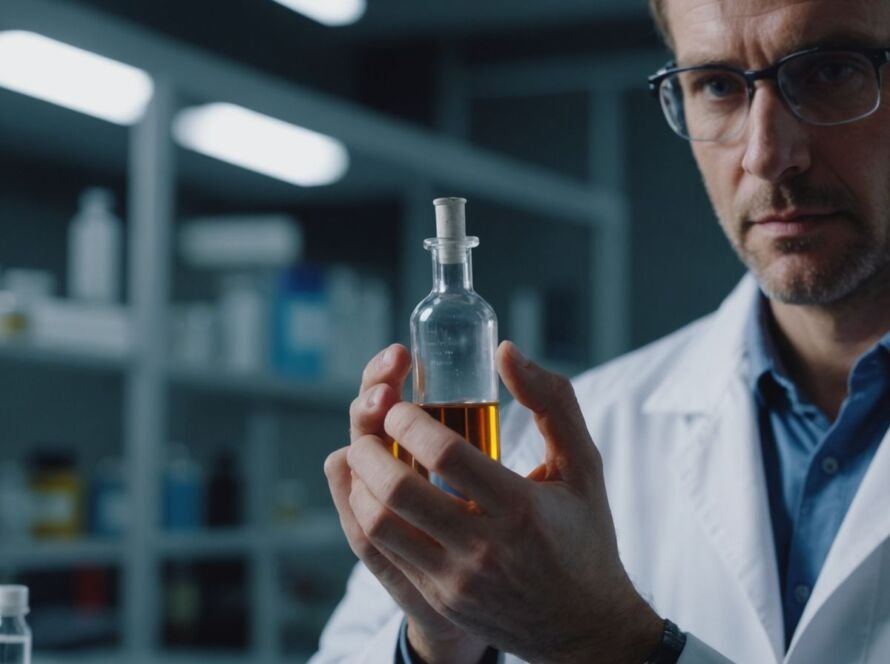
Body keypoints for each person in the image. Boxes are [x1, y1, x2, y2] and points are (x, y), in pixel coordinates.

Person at [311, 0, 890, 661]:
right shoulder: (549, 443)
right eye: (719, 86)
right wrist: (448, 644)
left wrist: (604, 642)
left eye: (831, 71)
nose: (766, 155)